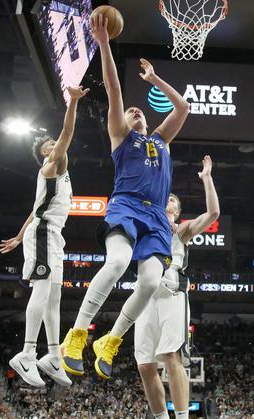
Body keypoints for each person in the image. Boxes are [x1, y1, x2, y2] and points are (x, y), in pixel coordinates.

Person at [61, 13, 190, 380]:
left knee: (150, 282)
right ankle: (78, 334)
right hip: (127, 205)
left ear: (148, 120)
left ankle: (111, 341)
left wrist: (154, 79)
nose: (134, 110)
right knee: (117, 263)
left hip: (156, 219)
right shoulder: (122, 136)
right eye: (130, 111)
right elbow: (114, 89)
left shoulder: (160, 140)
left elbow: (183, 108)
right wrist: (103, 43)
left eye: (139, 111)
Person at [0, 85, 89, 388]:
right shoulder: (52, 165)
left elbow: (34, 210)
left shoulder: (60, 175)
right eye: (51, 144)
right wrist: (73, 103)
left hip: (48, 233)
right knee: (41, 291)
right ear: (46, 153)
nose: (56, 145)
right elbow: (67, 132)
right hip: (44, 233)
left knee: (54, 295)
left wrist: (19, 236)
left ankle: (51, 355)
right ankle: (26, 353)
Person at [136, 155, 219, 419]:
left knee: (171, 357)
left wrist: (206, 178)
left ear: (177, 210)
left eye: (172, 199)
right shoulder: (145, 224)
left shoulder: (181, 231)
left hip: (172, 294)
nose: (167, 199)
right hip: (145, 297)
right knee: (145, 366)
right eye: (165, 196)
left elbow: (213, 212)